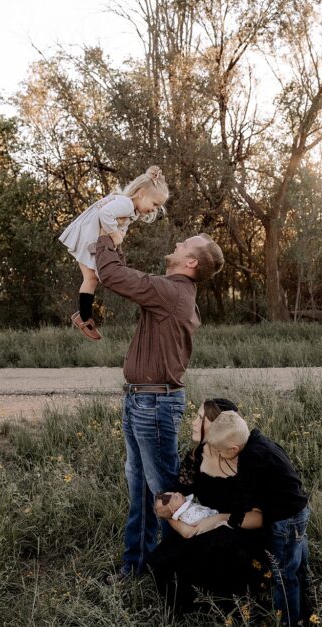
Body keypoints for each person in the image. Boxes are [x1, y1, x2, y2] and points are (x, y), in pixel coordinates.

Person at [94, 230, 225, 581]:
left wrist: (106, 236)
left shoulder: (172, 292)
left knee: (166, 493)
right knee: (141, 491)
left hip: (154, 404)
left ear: (191, 262)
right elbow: (124, 277)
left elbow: (113, 276)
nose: (178, 243)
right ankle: (135, 569)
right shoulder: (173, 293)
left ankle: (177, 573)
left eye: (185, 244)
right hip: (142, 399)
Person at [147, 409, 267, 612]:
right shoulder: (196, 457)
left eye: (201, 418)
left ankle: (229, 608)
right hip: (201, 524)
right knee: (162, 558)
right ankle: (188, 609)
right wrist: (185, 529)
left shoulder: (248, 461)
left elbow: (260, 518)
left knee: (218, 550)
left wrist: (220, 518)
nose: (194, 422)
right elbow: (174, 503)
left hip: (238, 527)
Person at [210, 412, 311, 627]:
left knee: (282, 572)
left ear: (233, 450)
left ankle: (288, 623)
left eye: (219, 451)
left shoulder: (250, 459)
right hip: (299, 511)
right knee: (298, 560)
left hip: (285, 520)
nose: (217, 455)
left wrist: (234, 520)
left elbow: (243, 494)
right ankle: (307, 601)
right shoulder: (262, 442)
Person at [58, 166, 169, 340]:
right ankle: (84, 317)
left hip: (89, 237)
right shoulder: (125, 203)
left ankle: (84, 316)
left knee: (92, 278)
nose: (154, 209)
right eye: (154, 204)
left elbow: (115, 222)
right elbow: (104, 213)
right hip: (89, 237)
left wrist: (117, 239)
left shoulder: (129, 208)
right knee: (95, 277)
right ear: (141, 193)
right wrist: (115, 235)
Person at [155, 491, 226, 537]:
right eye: (176, 497)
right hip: (212, 525)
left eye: (174, 493)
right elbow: (198, 521)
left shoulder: (185, 507)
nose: (178, 493)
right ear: (175, 510)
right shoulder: (186, 515)